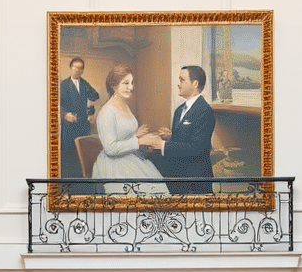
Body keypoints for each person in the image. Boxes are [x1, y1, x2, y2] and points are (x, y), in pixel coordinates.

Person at [91, 64, 170, 196]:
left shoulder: (125, 106)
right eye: (126, 83)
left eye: (132, 83)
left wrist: (140, 137)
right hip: (114, 164)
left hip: (131, 156)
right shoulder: (106, 113)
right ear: (114, 85)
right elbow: (110, 148)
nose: (131, 87)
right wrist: (138, 141)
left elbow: (123, 134)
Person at [149, 65, 216, 195]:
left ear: (195, 83)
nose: (178, 84)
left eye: (182, 80)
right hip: (177, 177)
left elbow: (197, 148)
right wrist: (171, 137)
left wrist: (163, 145)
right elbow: (185, 139)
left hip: (195, 180)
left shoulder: (204, 111)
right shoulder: (179, 110)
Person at [59, 56, 100, 180]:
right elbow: (57, 104)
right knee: (69, 154)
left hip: (82, 124)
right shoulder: (64, 84)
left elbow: (95, 96)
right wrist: (64, 115)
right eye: (76, 67)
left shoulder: (84, 83)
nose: (78, 70)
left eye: (81, 68)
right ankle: (70, 181)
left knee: (82, 153)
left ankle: (82, 178)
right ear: (71, 68)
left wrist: (90, 103)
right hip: (69, 125)